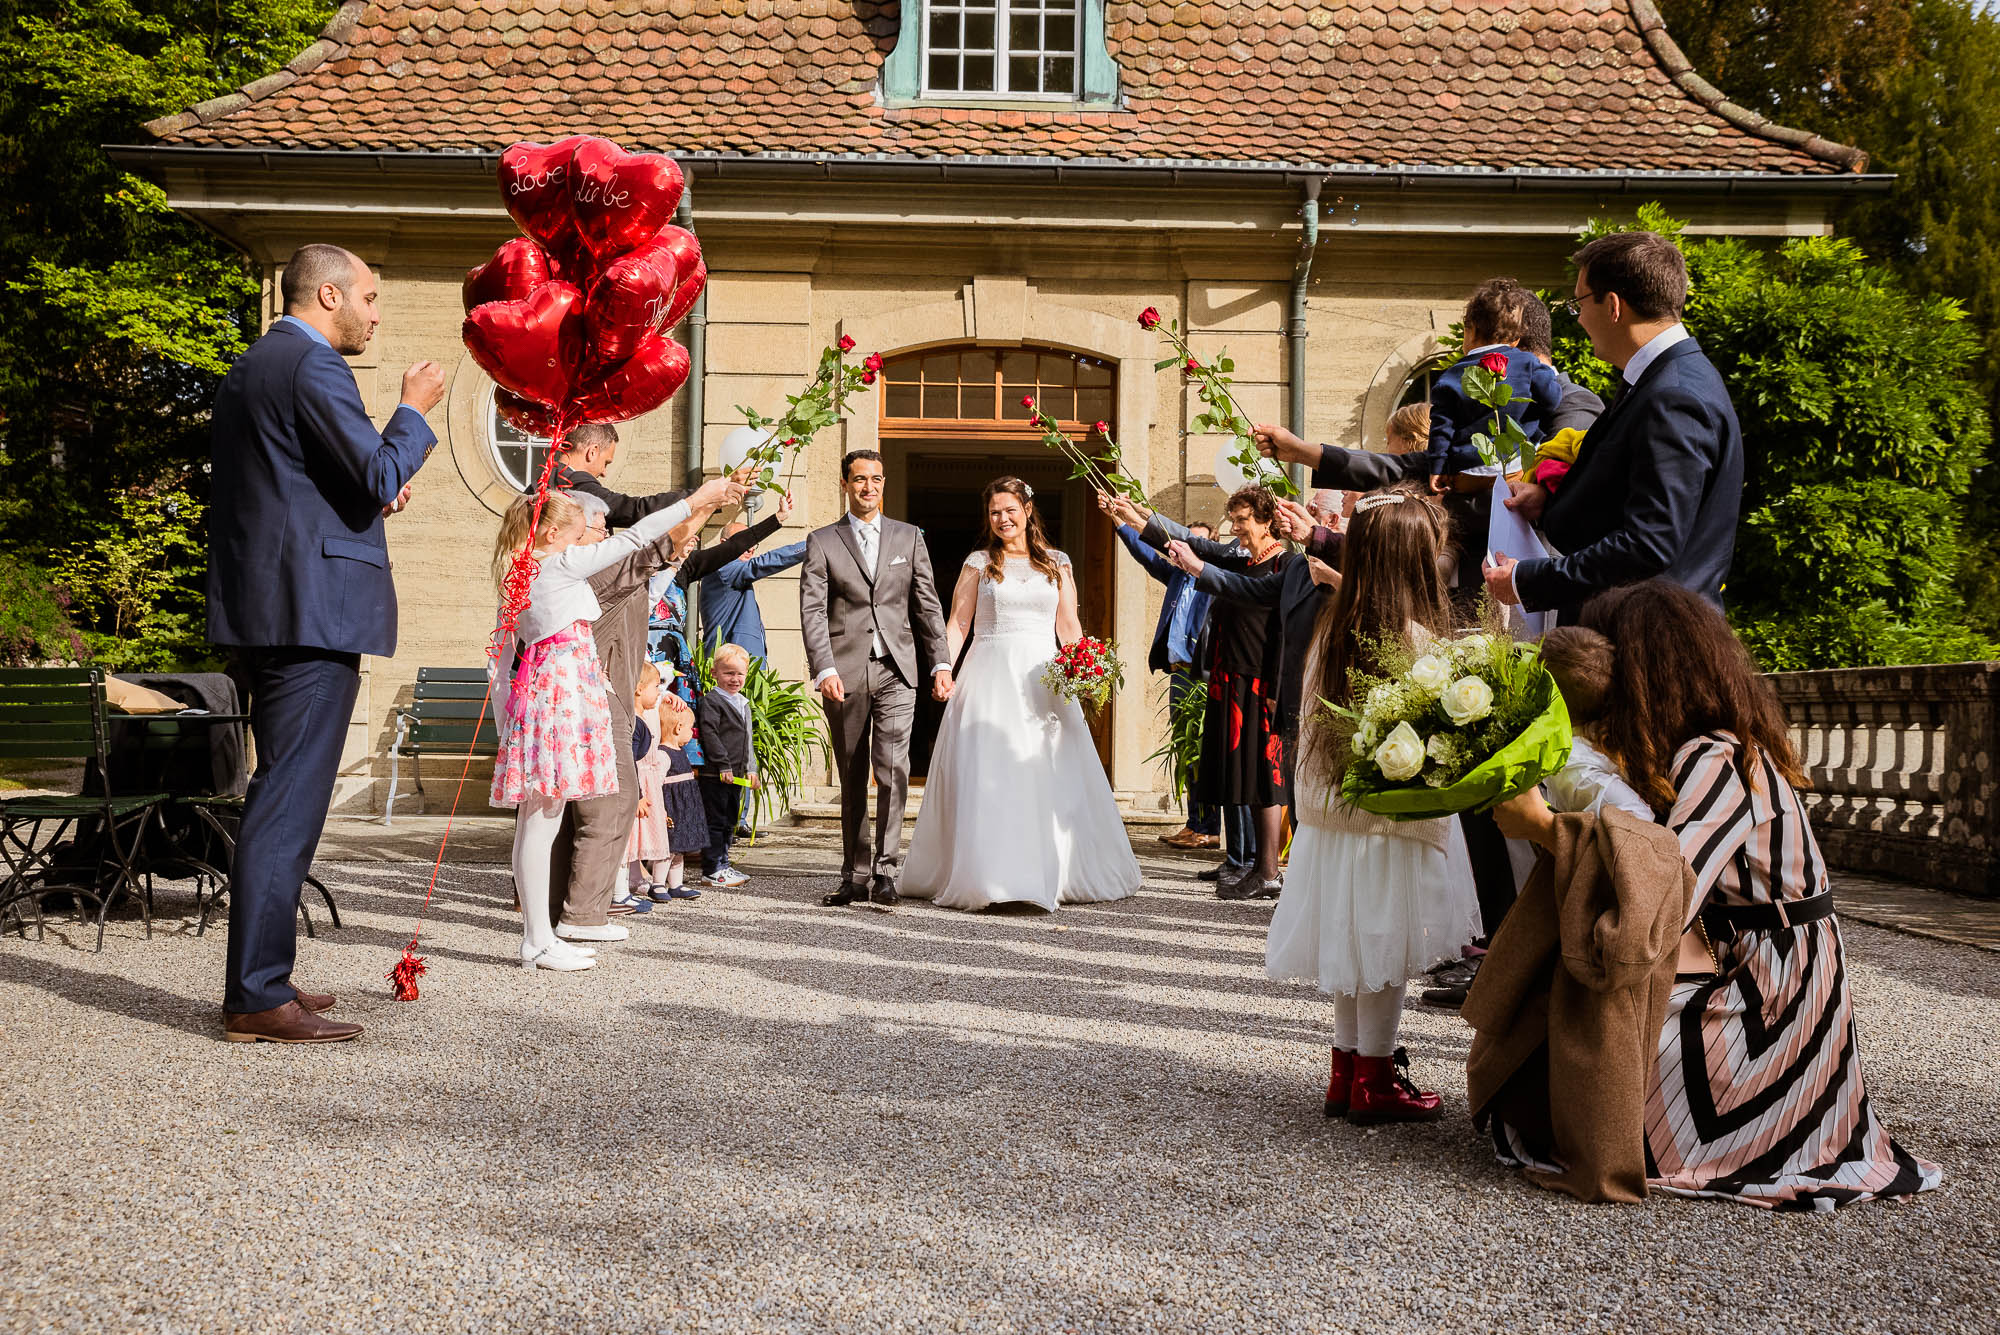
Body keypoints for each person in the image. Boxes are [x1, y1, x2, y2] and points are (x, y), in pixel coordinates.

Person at [1488, 581, 1941, 1208]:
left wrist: (1544, 829)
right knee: (1569, 1036)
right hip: (1761, 968)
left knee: (1581, 1047)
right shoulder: (1716, 749)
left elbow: (1664, 897)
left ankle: (1753, 1126)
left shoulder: (1717, 759)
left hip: (1772, 998)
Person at [210, 243, 444, 1044]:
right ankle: (255, 995)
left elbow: (291, 494)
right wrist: (413, 410)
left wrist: (368, 498)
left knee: (281, 794)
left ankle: (265, 975)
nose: (377, 314)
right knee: (287, 801)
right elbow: (379, 471)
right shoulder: (315, 369)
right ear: (331, 293)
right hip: (309, 617)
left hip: (269, 608)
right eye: (372, 299)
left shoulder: (251, 367)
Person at [1267, 487, 1481, 1124]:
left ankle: (1348, 1069)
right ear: (1413, 560)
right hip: (1391, 822)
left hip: (1333, 820)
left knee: (1352, 946)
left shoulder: (1334, 626)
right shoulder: (1412, 640)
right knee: (1383, 948)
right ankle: (1376, 1079)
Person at [490, 478, 737, 971]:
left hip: (546, 694)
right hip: (561, 697)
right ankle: (536, 940)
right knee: (541, 825)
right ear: (554, 532)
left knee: (535, 827)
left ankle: (539, 935)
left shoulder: (521, 570)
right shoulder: (555, 565)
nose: (589, 539)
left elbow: (502, 656)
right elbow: (633, 538)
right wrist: (697, 501)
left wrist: (505, 719)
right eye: (580, 530)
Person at [903, 478, 1143, 911]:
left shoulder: (1057, 563)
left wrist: (1083, 668)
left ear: (1028, 509)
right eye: (995, 512)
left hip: (1043, 679)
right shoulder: (979, 562)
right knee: (991, 770)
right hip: (989, 673)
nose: (1003, 519)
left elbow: (1068, 626)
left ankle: (1055, 870)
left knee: (1046, 770)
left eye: (1010, 509)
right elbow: (957, 624)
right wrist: (943, 667)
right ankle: (991, 875)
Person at [1484, 232, 1744, 624]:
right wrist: (1551, 500)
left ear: (1614, 306)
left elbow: (1650, 543)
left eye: (1579, 303)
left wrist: (1529, 579)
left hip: (1649, 639)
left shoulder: (1673, 396)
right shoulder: (1661, 381)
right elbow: (1630, 497)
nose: (1580, 318)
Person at [1101, 489, 1339, 899]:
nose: (1234, 528)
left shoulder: (1289, 564)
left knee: (1265, 778)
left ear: (1267, 522)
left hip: (1262, 684)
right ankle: (1248, 863)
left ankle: (1266, 868)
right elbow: (1193, 544)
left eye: (1242, 519)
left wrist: (1198, 570)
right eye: (1232, 519)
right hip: (1229, 680)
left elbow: (1270, 618)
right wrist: (1138, 518)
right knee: (1239, 777)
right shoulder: (1241, 558)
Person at [800, 450, 953, 907]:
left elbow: (926, 604)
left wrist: (940, 662)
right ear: (845, 483)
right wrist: (824, 667)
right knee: (851, 775)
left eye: (877, 479)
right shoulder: (823, 541)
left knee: (892, 769)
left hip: (897, 670)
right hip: (844, 674)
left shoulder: (909, 538)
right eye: (860, 479)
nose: (870, 487)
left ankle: (886, 872)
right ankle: (854, 875)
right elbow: (812, 610)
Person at [1112, 515, 1219, 851]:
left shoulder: (1212, 582)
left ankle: (1209, 827)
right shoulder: (1175, 576)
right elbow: (1145, 554)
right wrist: (1120, 522)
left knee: (1204, 751)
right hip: (1178, 674)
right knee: (1185, 750)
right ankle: (1194, 823)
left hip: (1202, 675)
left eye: (1196, 543)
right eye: (1184, 543)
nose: (1185, 550)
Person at [1422, 278, 1564, 483]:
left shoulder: (1451, 375)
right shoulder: (1528, 363)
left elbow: (1442, 427)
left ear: (1469, 331)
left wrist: (1436, 468)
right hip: (1516, 468)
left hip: (1468, 471)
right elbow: (1551, 400)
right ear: (1516, 340)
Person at [698, 519, 808, 662]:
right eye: (744, 541)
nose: (751, 549)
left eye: (753, 544)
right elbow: (764, 563)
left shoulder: (731, 572)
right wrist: (813, 544)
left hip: (740, 665)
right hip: (730, 665)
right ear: (724, 543)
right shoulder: (723, 567)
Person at [695, 643, 758, 888]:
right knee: (716, 820)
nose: (734, 678)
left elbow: (748, 740)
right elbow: (710, 734)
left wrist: (751, 769)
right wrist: (722, 765)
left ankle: (723, 862)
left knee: (731, 819)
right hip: (717, 774)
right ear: (715, 673)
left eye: (739, 673)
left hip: (738, 775)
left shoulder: (743, 703)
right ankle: (712, 868)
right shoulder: (712, 702)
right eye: (728, 673)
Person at [550, 422, 687, 528]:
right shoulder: (573, 482)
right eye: (606, 463)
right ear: (592, 452)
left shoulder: (545, 479)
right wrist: (694, 497)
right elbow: (634, 510)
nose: (604, 473)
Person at [622, 660, 672, 906]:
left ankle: (632, 881)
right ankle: (620, 892)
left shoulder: (643, 716)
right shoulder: (633, 722)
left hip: (643, 781)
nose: (659, 691)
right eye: (656, 685)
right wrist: (638, 795)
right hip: (635, 785)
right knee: (627, 840)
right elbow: (629, 760)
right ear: (639, 688)